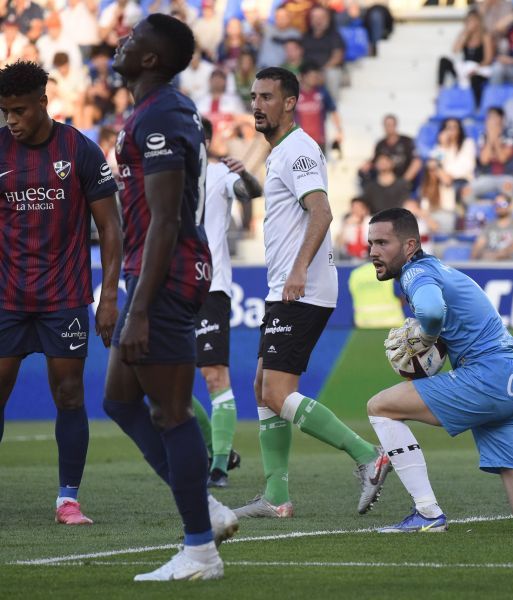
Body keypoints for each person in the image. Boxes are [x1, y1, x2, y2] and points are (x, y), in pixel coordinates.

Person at [102, 14, 236, 581]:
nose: (122, 42)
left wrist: (140, 310)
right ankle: (204, 509)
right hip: (154, 272)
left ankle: (201, 549)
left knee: (171, 411)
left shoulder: (160, 114)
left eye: (133, 38)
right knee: (118, 397)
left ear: (151, 58)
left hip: (167, 273)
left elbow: (162, 220)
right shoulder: (153, 111)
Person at [235, 66, 388, 521]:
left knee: (278, 392)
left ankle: (369, 456)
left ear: (288, 103)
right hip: (285, 286)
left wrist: (298, 269)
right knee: (263, 386)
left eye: (266, 97)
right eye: (254, 96)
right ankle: (276, 495)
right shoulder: (282, 151)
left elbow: (321, 212)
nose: (257, 104)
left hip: (299, 287)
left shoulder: (298, 149)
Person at [365, 207, 513, 531]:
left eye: (382, 243)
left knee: (380, 408)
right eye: (370, 243)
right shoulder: (442, 270)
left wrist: (428, 333)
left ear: (409, 246)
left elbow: (433, 312)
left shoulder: (415, 273)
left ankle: (427, 513)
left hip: (487, 377)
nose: (373, 252)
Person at [0, 60, 120, 526]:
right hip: (7, 296)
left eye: (18, 110)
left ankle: (67, 499)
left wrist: (108, 296)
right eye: (5, 111)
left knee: (69, 395)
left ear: (43, 103)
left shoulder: (80, 150)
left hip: (64, 296)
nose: (11, 119)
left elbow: (111, 227)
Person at [192, 117, 262, 488]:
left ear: (205, 138)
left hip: (210, 287)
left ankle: (218, 466)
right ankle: (217, 450)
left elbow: (251, 190)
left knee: (214, 375)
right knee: (160, 379)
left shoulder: (218, 173)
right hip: (170, 289)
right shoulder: (162, 176)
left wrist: (247, 174)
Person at [437, 10, 494, 107]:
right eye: (468, 21)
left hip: (479, 69)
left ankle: (477, 106)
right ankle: (440, 91)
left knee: (474, 79)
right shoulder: (465, 35)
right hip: (464, 69)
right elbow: (455, 50)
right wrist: (464, 34)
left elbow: (488, 59)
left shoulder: (485, 36)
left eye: (472, 20)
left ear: (478, 22)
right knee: (443, 61)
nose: (470, 23)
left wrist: (475, 69)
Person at [359, 114, 421, 188]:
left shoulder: (407, 141)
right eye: (386, 125)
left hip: (404, 181)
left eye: (391, 125)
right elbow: (375, 161)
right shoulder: (380, 144)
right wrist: (367, 165)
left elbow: (417, 162)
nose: (389, 127)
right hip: (385, 183)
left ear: (395, 125)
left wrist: (404, 181)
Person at [472, 106, 513, 199]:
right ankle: (474, 213)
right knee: (467, 192)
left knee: (507, 189)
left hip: (507, 176)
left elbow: (502, 158)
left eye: (494, 117)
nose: (491, 120)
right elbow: (484, 160)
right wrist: (490, 138)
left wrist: (496, 137)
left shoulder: (510, 134)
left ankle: (505, 213)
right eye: (489, 117)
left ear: (502, 119)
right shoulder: (483, 136)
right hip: (486, 176)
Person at [296, 61, 343, 154]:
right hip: (298, 141)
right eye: (311, 76)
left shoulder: (322, 93)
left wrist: (339, 130)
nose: (314, 79)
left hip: (318, 141)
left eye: (316, 76)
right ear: (303, 76)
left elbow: (333, 111)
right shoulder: (294, 95)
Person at [300, 5, 346, 100]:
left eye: (321, 17)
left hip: (327, 69)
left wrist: (320, 71)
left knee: (331, 74)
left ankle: (332, 108)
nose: (318, 20)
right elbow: (299, 56)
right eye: (315, 17)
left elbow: (338, 56)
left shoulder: (335, 35)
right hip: (307, 71)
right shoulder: (305, 36)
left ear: (328, 19)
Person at [470, 194, 513, 260]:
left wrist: (497, 255)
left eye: (503, 204)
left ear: (510, 206)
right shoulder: (489, 226)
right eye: (496, 204)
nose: (498, 207)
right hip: (490, 265)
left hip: (510, 265)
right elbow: (478, 245)